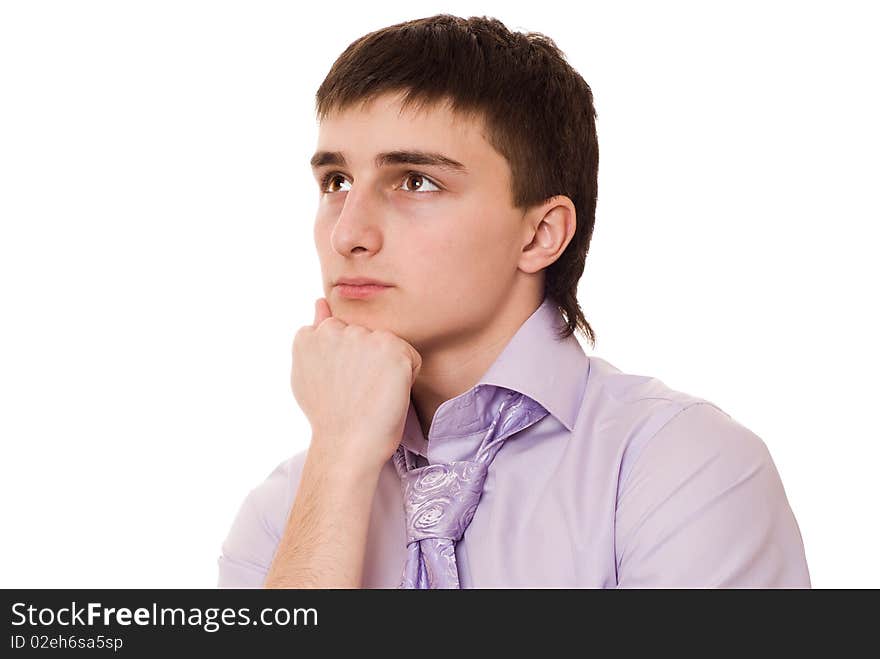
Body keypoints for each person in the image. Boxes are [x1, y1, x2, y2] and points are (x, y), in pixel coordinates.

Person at [216, 14, 810, 588]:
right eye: (336, 183)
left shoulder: (682, 465)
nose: (347, 234)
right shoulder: (286, 514)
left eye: (416, 181)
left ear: (539, 233)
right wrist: (339, 459)